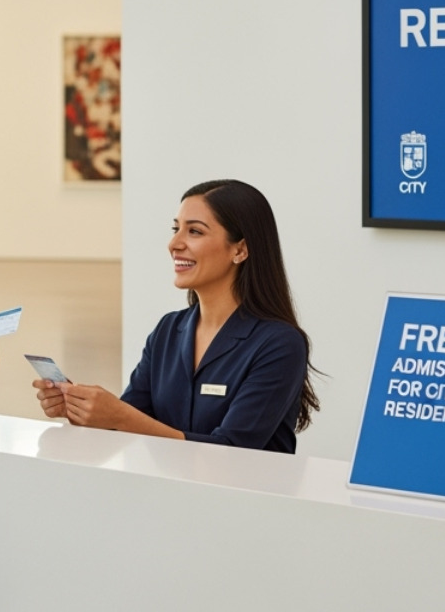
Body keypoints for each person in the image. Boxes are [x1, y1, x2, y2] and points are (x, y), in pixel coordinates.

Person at [34, 179, 320, 451]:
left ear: (240, 249)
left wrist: (119, 416)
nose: (174, 244)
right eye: (176, 229)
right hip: (163, 487)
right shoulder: (169, 329)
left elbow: (231, 453)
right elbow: (131, 422)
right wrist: (83, 410)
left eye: (194, 231)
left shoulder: (279, 344)